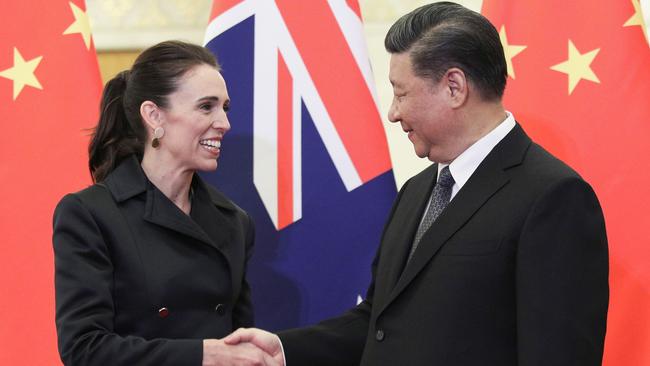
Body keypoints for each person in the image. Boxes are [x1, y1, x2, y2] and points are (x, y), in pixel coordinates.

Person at [223, 2, 609, 365]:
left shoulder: (553, 197)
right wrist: (282, 349)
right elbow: (380, 322)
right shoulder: (417, 190)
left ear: (454, 87)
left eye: (401, 93)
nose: (392, 113)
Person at [53, 41, 278, 366]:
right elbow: (84, 348)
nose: (224, 123)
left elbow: (239, 343)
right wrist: (204, 355)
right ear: (154, 115)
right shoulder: (90, 214)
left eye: (225, 108)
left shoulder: (234, 221)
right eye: (206, 107)